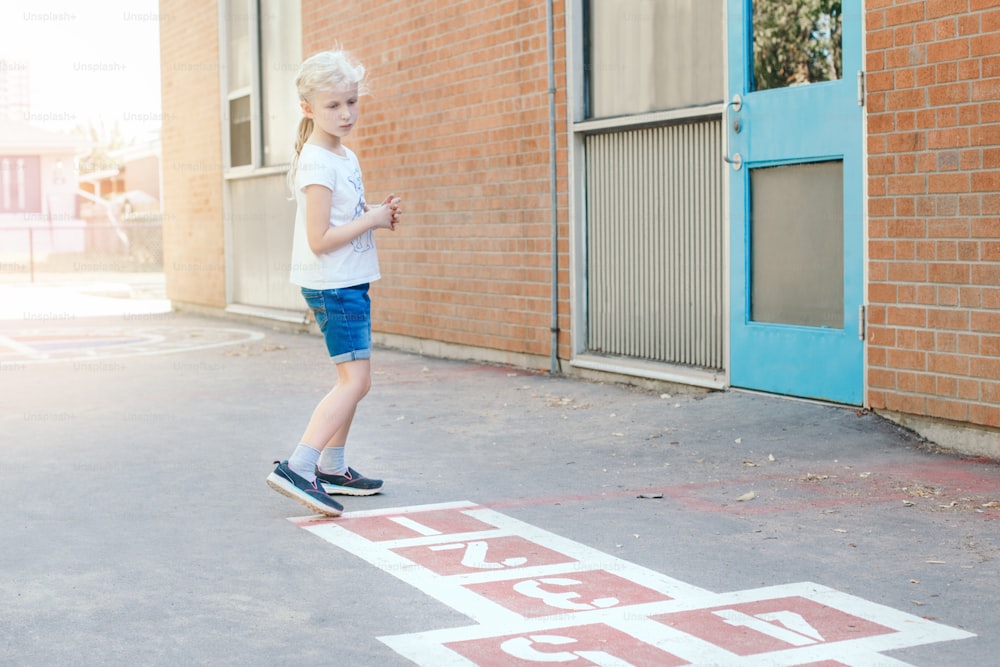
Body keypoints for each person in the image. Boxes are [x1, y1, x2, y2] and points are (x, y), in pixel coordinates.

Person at [266, 50, 401, 517]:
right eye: (333, 106)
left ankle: (333, 467)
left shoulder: (345, 156)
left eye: (351, 102)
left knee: (355, 381)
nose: (346, 113)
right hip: (333, 285)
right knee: (354, 381)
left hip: (349, 281)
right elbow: (320, 239)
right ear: (308, 109)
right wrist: (375, 221)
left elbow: (339, 219)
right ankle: (299, 466)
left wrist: (369, 215)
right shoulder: (318, 162)